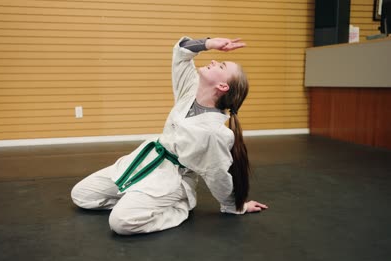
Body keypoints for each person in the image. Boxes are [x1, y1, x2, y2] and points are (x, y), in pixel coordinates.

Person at [71, 36, 268, 235]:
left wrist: (234, 206)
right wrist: (209, 43)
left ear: (223, 86)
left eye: (222, 66)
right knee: (82, 195)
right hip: (146, 160)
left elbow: (217, 174)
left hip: (173, 178)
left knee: (121, 223)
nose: (214, 61)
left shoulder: (214, 133)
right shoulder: (190, 89)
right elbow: (182, 52)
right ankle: (139, 198)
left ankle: (179, 206)